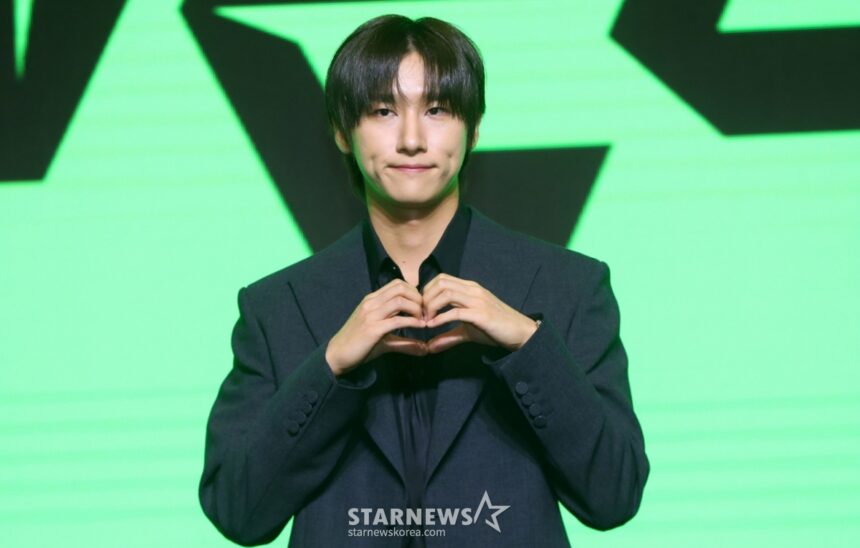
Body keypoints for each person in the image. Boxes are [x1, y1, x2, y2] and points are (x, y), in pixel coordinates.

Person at [199, 14, 649, 547]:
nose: (412, 139)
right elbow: (236, 510)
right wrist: (331, 365)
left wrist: (526, 343)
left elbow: (614, 496)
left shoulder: (568, 286)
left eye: (437, 110)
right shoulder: (277, 307)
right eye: (383, 111)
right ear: (342, 131)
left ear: (473, 128)